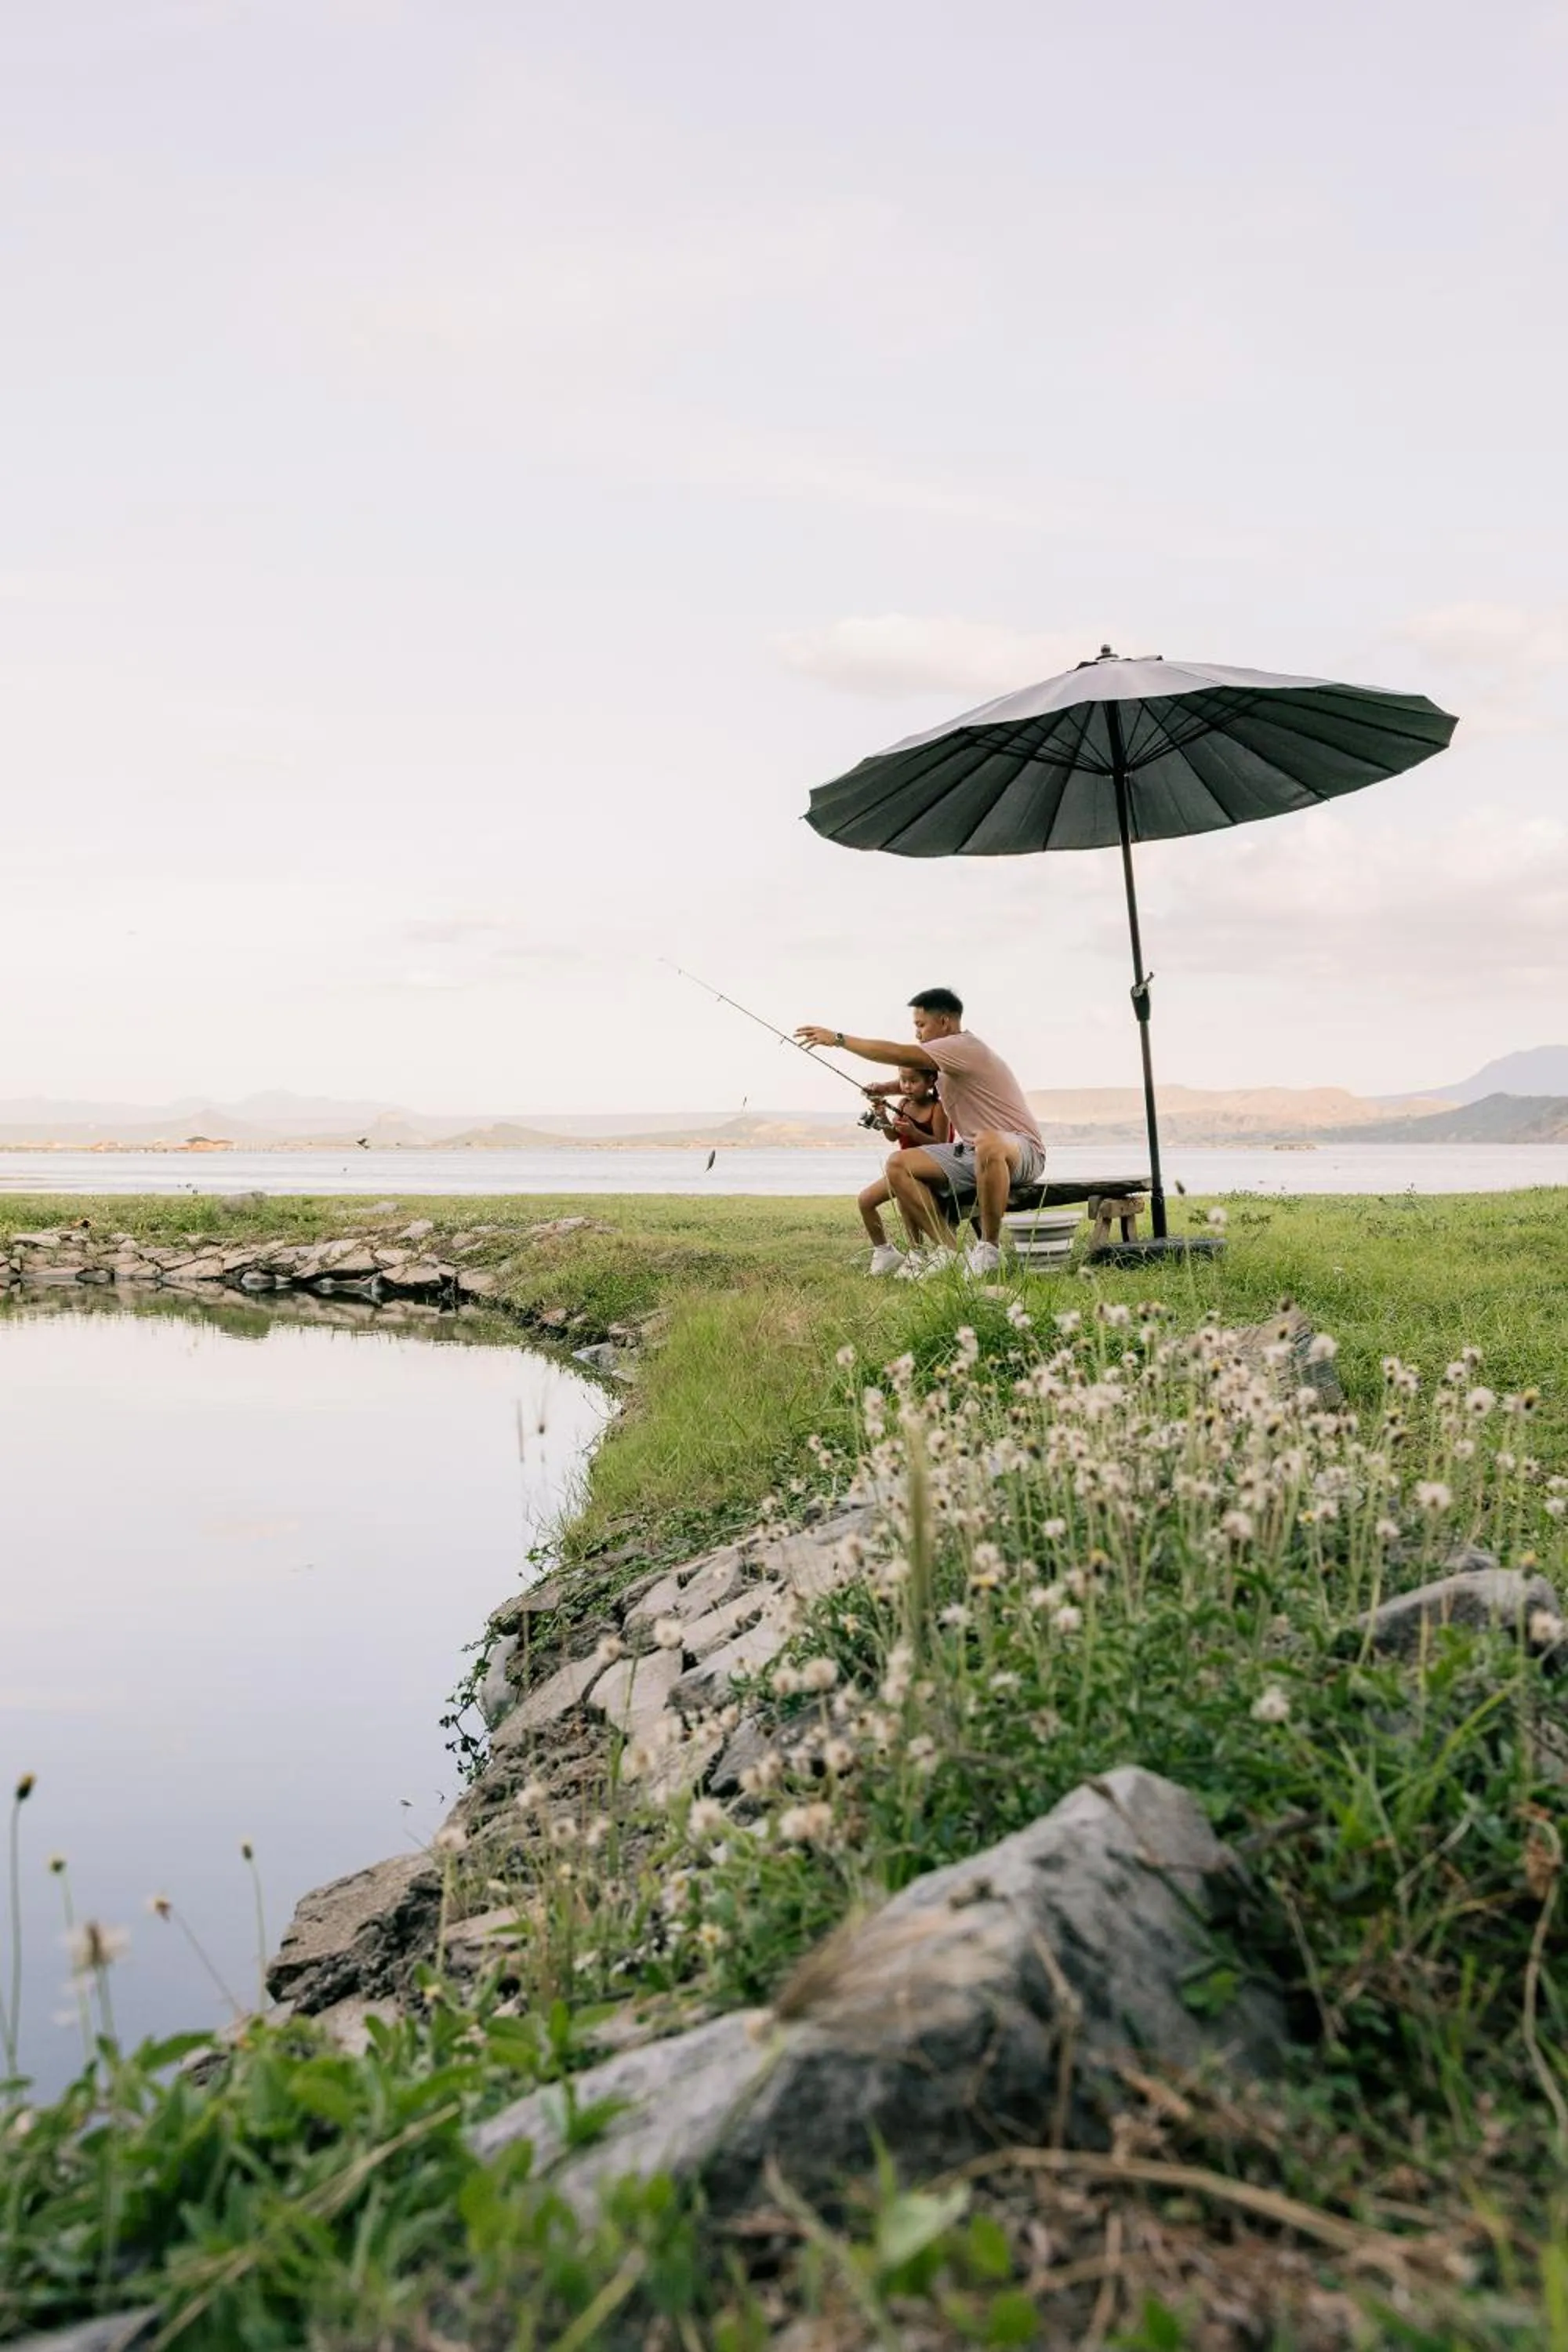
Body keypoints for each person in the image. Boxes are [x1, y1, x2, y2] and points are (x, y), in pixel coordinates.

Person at [797, 988, 1046, 1277]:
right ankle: (950, 1251)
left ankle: (989, 1250)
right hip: (972, 1153)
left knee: (988, 1140)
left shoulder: (964, 1047)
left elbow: (898, 1053)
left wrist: (838, 1040)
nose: (917, 1034)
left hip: (1021, 1151)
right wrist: (885, 1089)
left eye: (921, 1025)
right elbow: (922, 1080)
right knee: (898, 1164)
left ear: (945, 1022)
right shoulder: (946, 1064)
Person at [857, 1065, 949, 1275]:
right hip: (903, 1169)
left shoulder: (938, 1108)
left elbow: (943, 1146)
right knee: (865, 1201)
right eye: (903, 1081)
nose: (907, 1086)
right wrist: (882, 1117)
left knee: (903, 1197)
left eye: (913, 1081)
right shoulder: (903, 1104)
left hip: (932, 1169)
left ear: (930, 1081)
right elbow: (893, 1136)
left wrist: (915, 1132)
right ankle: (885, 1252)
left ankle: (917, 1253)